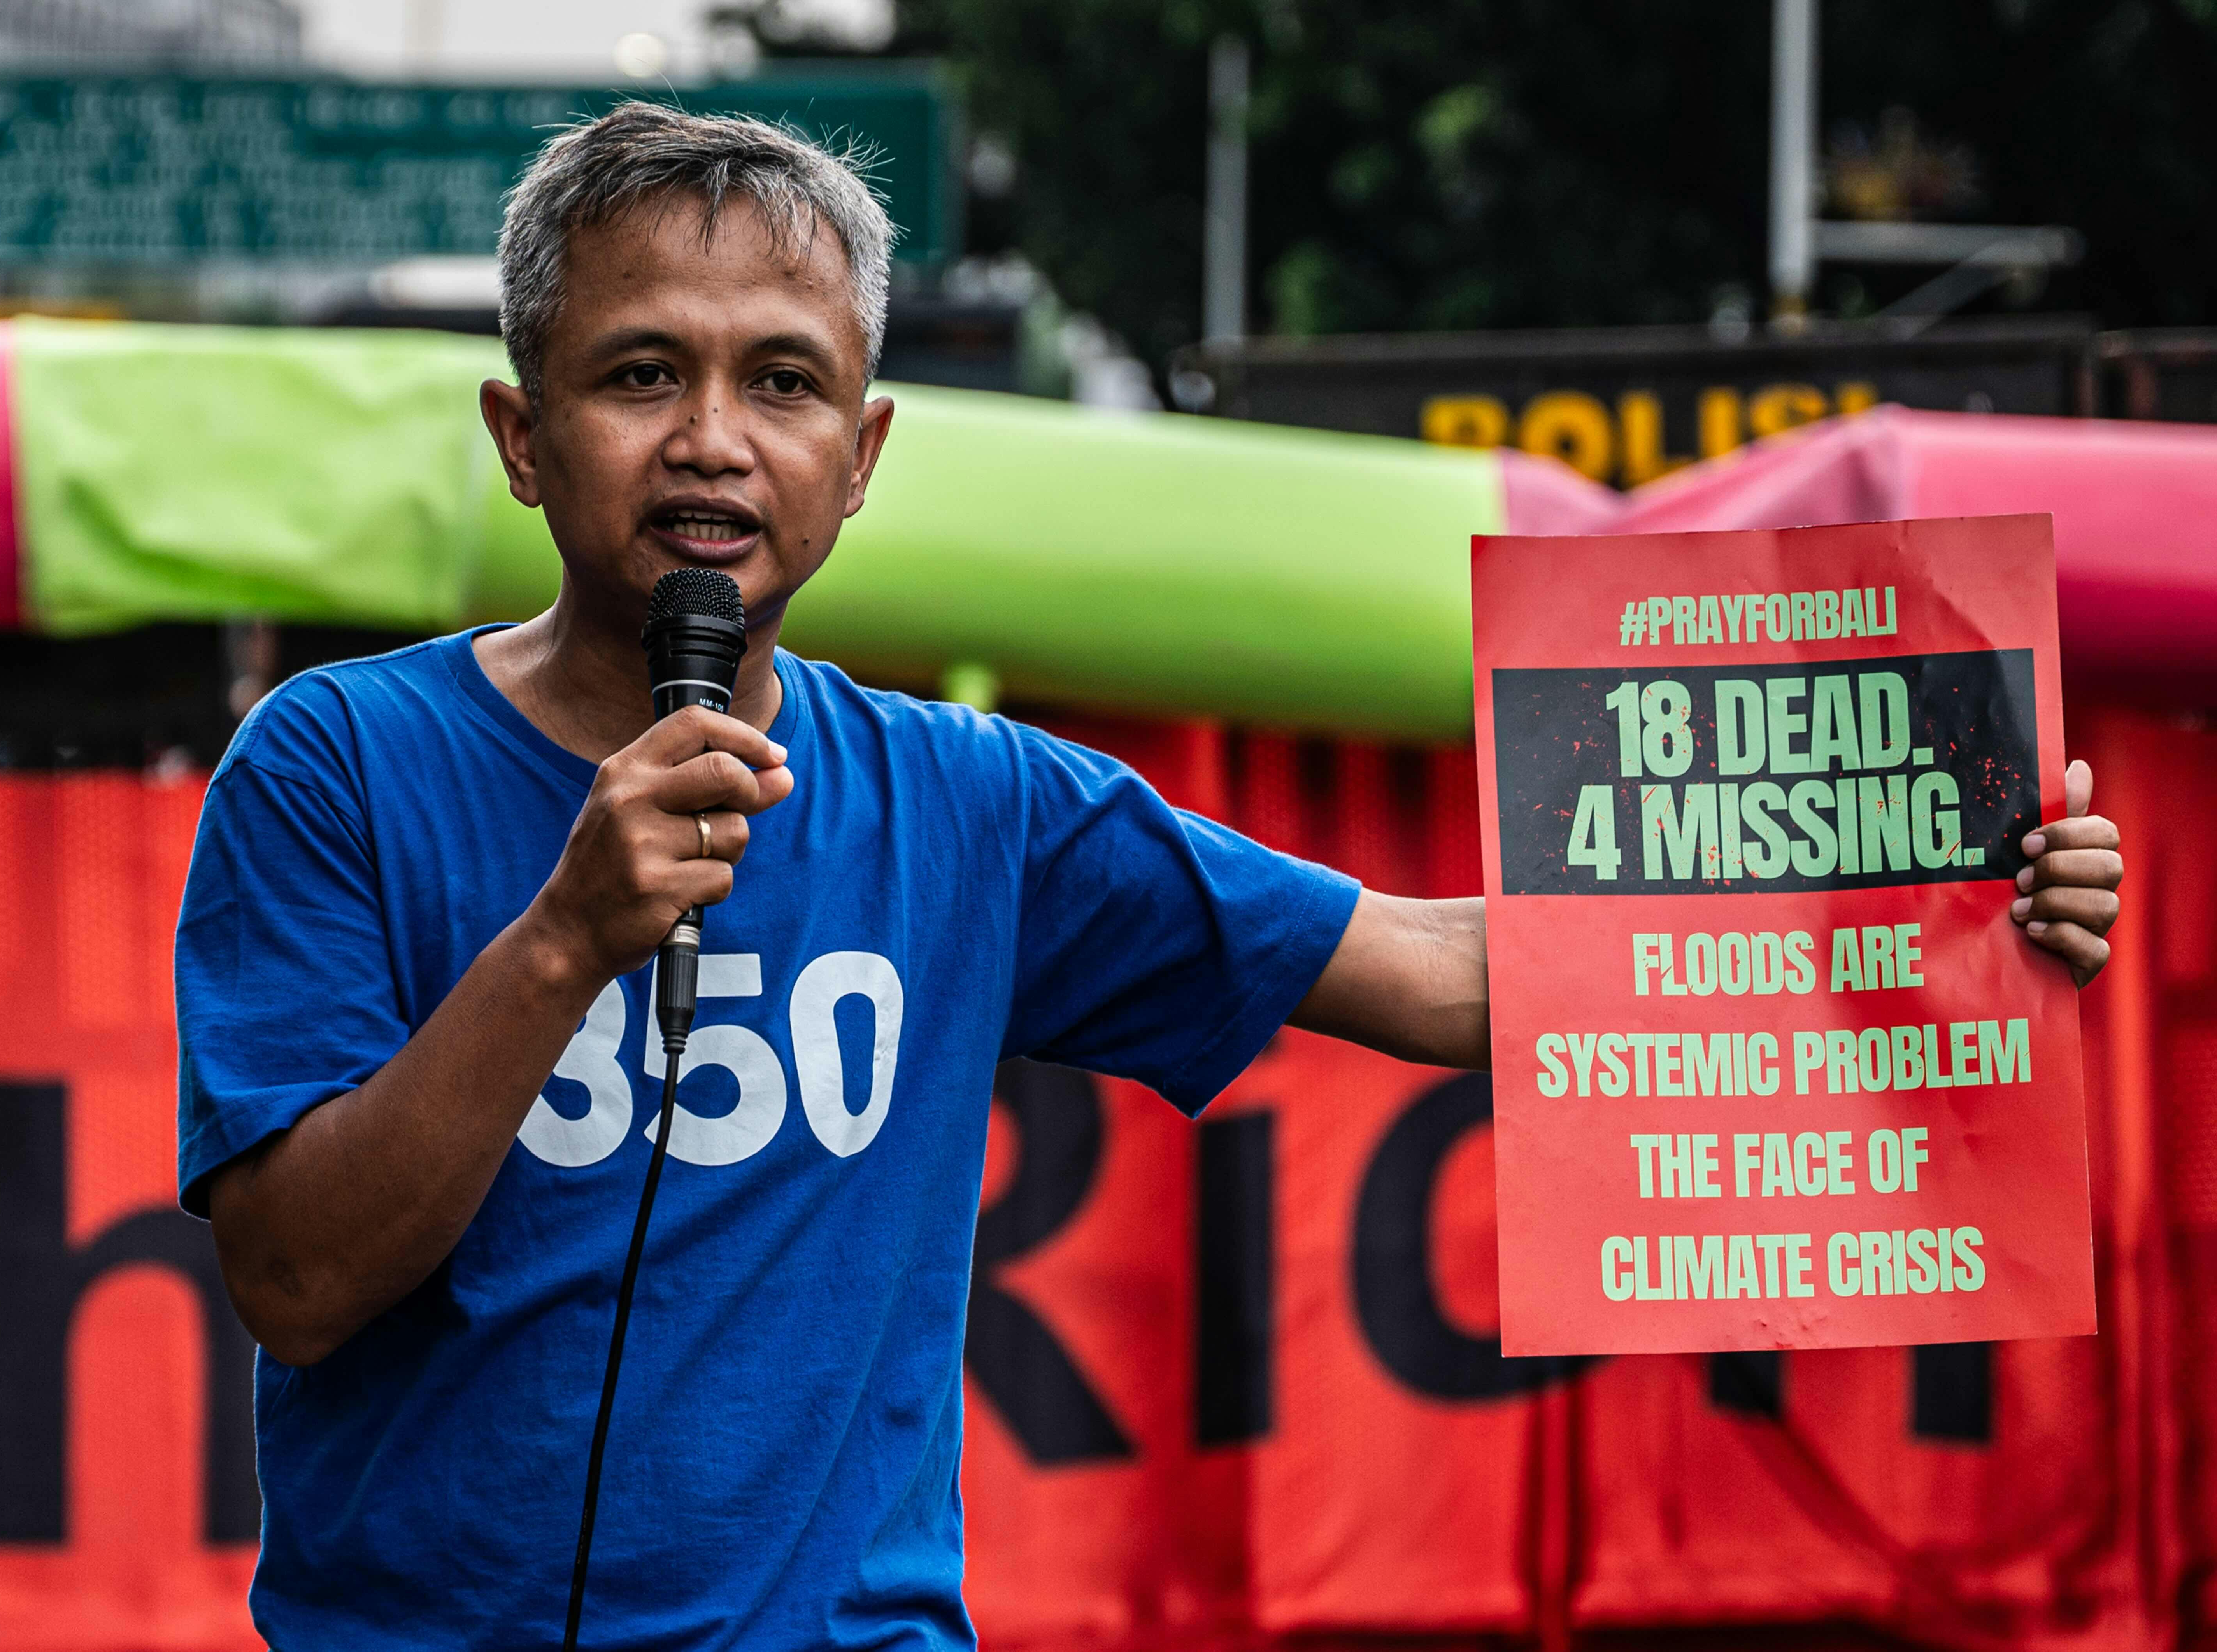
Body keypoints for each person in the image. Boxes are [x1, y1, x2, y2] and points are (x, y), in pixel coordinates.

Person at [175, 104, 2126, 1652]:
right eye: (639, 376)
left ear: (862, 458)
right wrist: (561, 944)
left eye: (782, 384)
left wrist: (1943, 896)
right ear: (525, 437)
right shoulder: (332, 767)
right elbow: (298, 1282)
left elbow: (1439, 972)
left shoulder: (972, 805)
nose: (713, 441)